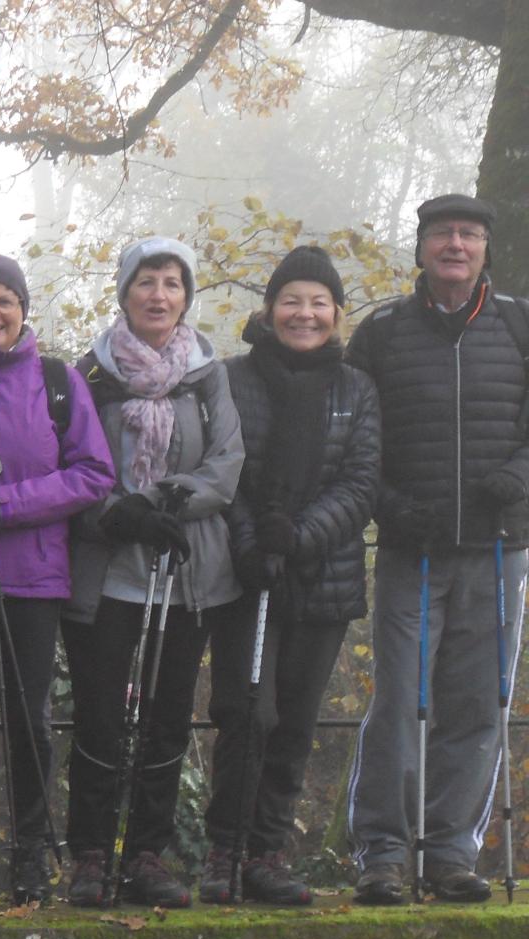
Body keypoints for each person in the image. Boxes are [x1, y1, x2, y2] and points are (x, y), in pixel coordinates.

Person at [346, 195, 529, 905]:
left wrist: (518, 477)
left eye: (469, 234)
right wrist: (390, 506)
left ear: (486, 249)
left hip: (498, 548)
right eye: (443, 234)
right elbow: (354, 438)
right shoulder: (384, 332)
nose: (456, 244)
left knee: (478, 703)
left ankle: (453, 851)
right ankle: (384, 852)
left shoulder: (518, 324)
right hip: (410, 553)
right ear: (421, 249)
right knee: (398, 699)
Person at [64, 237, 244, 907]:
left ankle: (147, 854)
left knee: (169, 718)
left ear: (186, 296)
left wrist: (174, 502)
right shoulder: (88, 375)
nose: (159, 295)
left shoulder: (209, 375)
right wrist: (124, 513)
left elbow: (226, 464)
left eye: (172, 283)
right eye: (147, 282)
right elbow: (73, 468)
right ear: (125, 292)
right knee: (100, 719)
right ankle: (88, 855)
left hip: (187, 570)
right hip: (108, 572)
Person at [0, 255, 115, 906]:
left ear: (22, 311)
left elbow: (94, 472)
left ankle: (30, 852)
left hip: (35, 579)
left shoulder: (58, 382)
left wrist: (7, 505)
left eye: (5, 301)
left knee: (28, 719)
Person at [204, 247, 379, 905]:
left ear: (336, 313)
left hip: (322, 578)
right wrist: (254, 541)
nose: (304, 313)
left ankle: (267, 852)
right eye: (292, 300)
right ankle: (223, 849)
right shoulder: (230, 378)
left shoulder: (357, 388)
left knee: (297, 721)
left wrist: (298, 536)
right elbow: (224, 468)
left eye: (318, 302)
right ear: (270, 309)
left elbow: (361, 482)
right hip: (247, 575)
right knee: (247, 712)